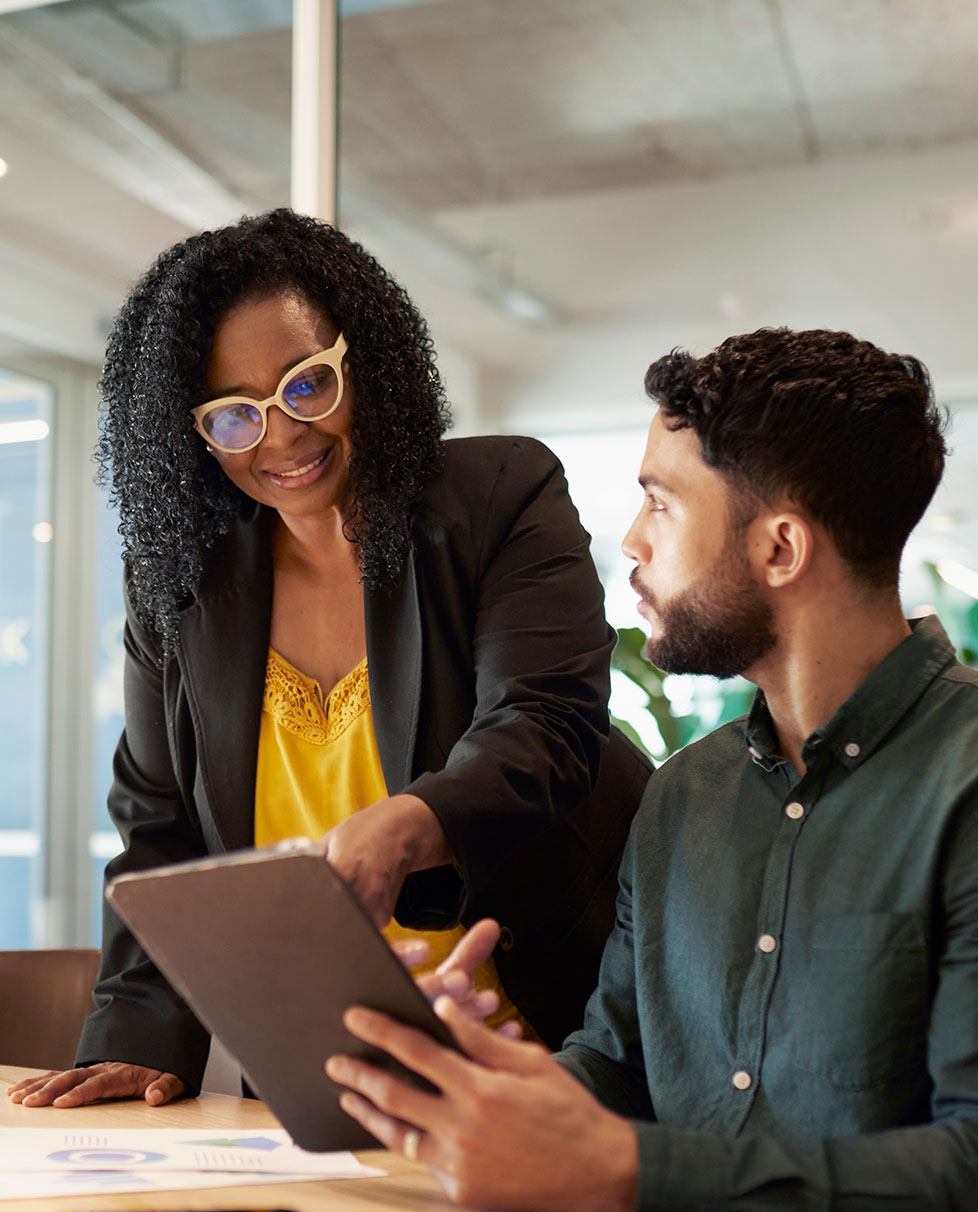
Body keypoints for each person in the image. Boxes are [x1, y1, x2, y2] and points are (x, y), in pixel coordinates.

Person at [318, 328, 978, 1212]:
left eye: (658, 502)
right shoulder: (682, 793)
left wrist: (616, 1169)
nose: (628, 543)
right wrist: (499, 1079)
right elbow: (620, 1067)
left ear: (780, 545)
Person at [8, 207, 649, 1113]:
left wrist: (412, 819)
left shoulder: (499, 495)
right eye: (234, 415)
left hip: (555, 1037)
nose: (281, 437)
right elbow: (160, 829)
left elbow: (547, 723)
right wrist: (137, 1038)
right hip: (335, 1071)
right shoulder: (181, 585)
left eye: (306, 386)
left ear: (365, 361)